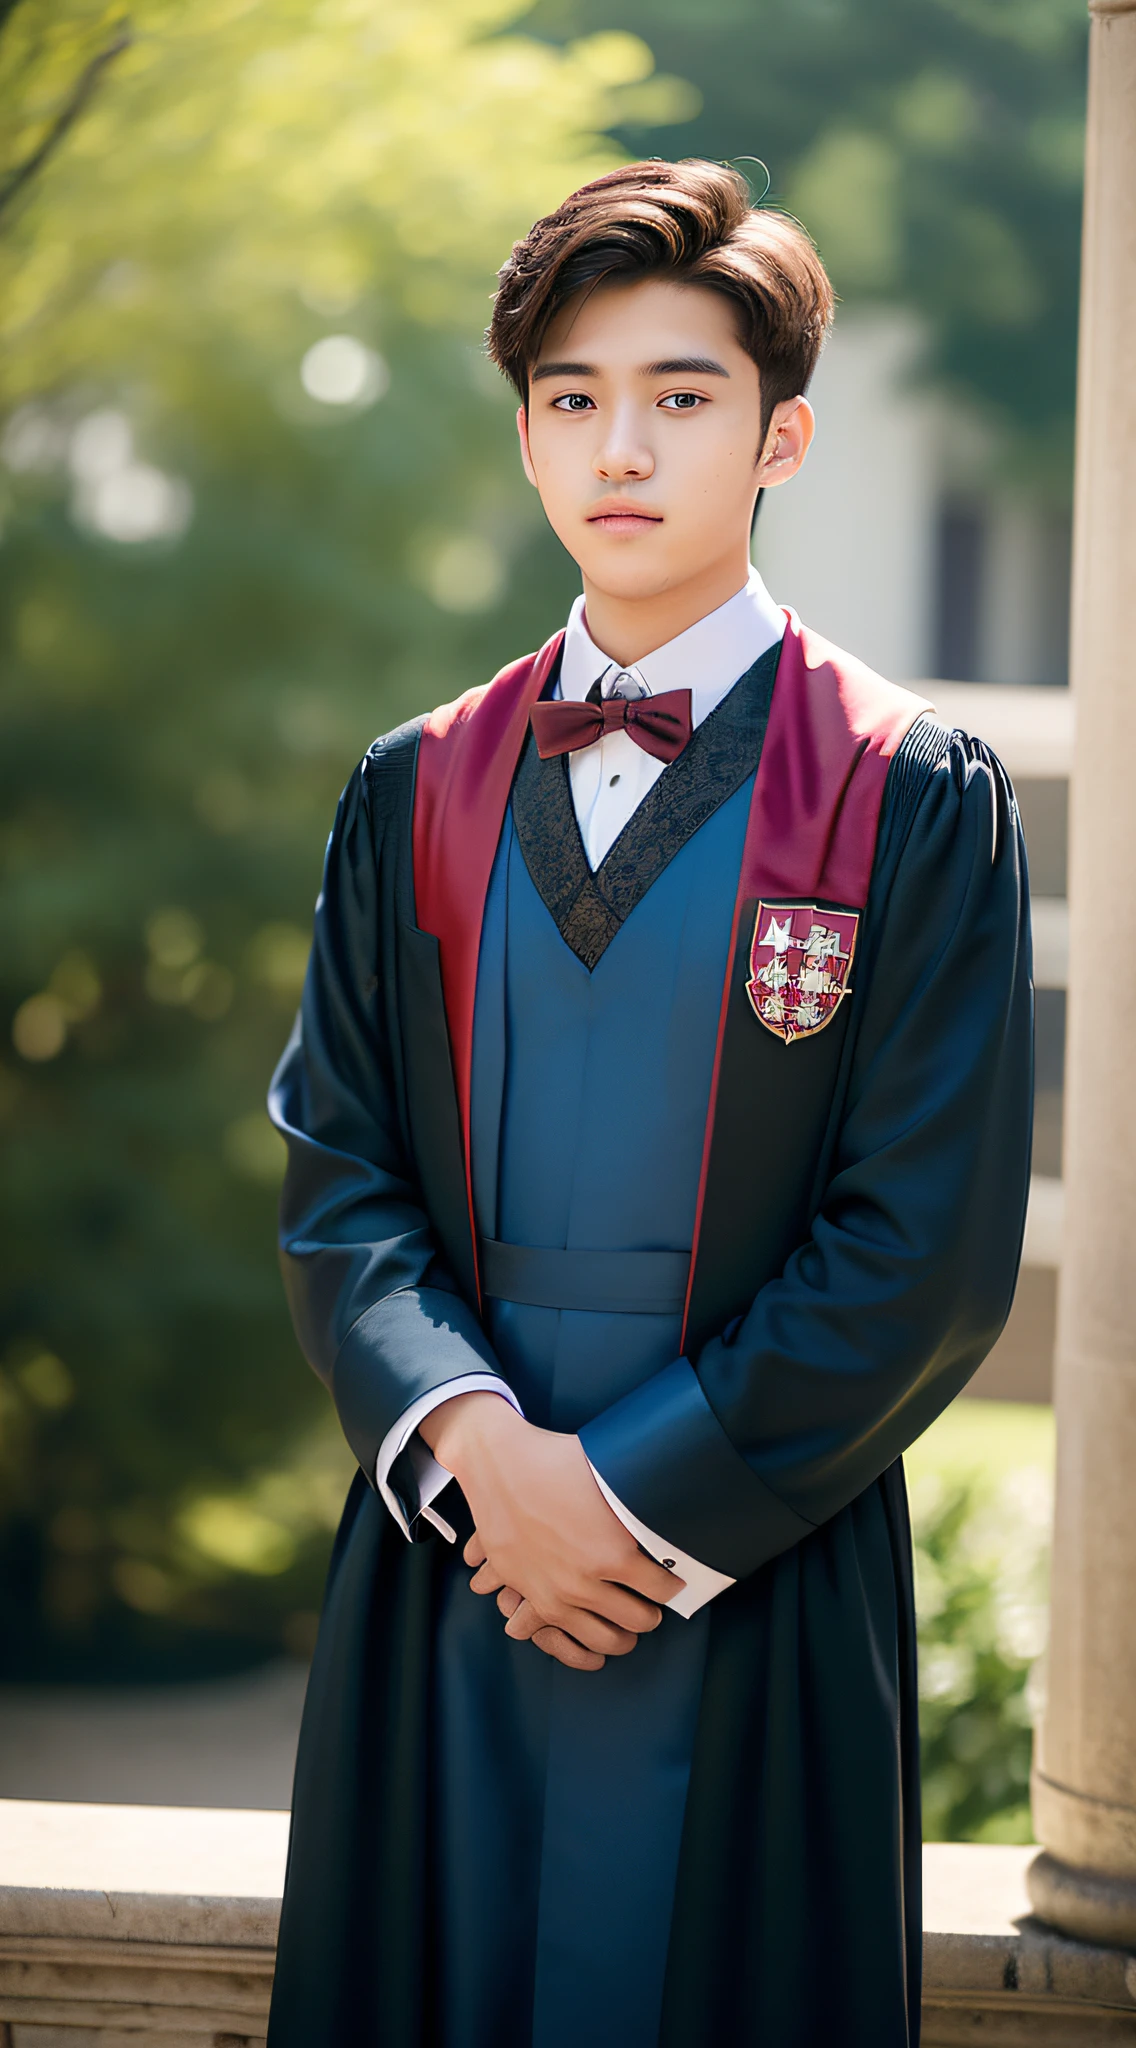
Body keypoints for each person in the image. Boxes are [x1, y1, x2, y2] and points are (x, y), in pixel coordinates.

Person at [265, 160, 1033, 2048]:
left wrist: (629, 1510)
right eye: (573, 399)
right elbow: (340, 1169)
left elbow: (922, 1247)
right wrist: (478, 1456)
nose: (625, 446)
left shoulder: (909, 790)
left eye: (683, 397)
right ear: (527, 440)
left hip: (749, 1541)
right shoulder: (412, 787)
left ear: (782, 436)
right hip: (459, 1539)